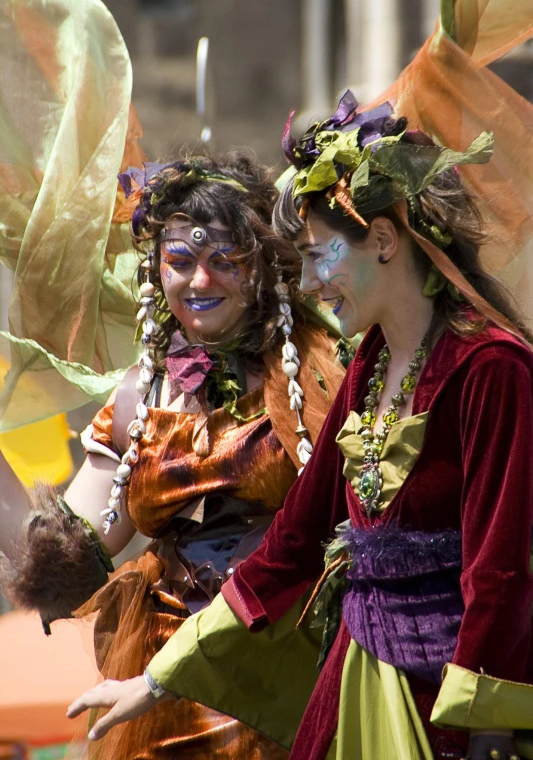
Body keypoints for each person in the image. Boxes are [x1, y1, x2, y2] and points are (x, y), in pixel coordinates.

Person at [67, 90, 533, 760]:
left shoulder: (489, 368)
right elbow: (289, 545)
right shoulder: (371, 364)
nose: (309, 282)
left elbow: (498, 570)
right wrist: (157, 680)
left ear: (381, 240)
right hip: (356, 675)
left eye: (317, 256)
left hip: (446, 702)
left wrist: (484, 731)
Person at [0, 152, 347, 759]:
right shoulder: (143, 391)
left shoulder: (313, 372)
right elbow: (71, 555)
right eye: (181, 261)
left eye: (224, 261)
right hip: (161, 690)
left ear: (261, 266)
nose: (200, 282)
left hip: (285, 670)